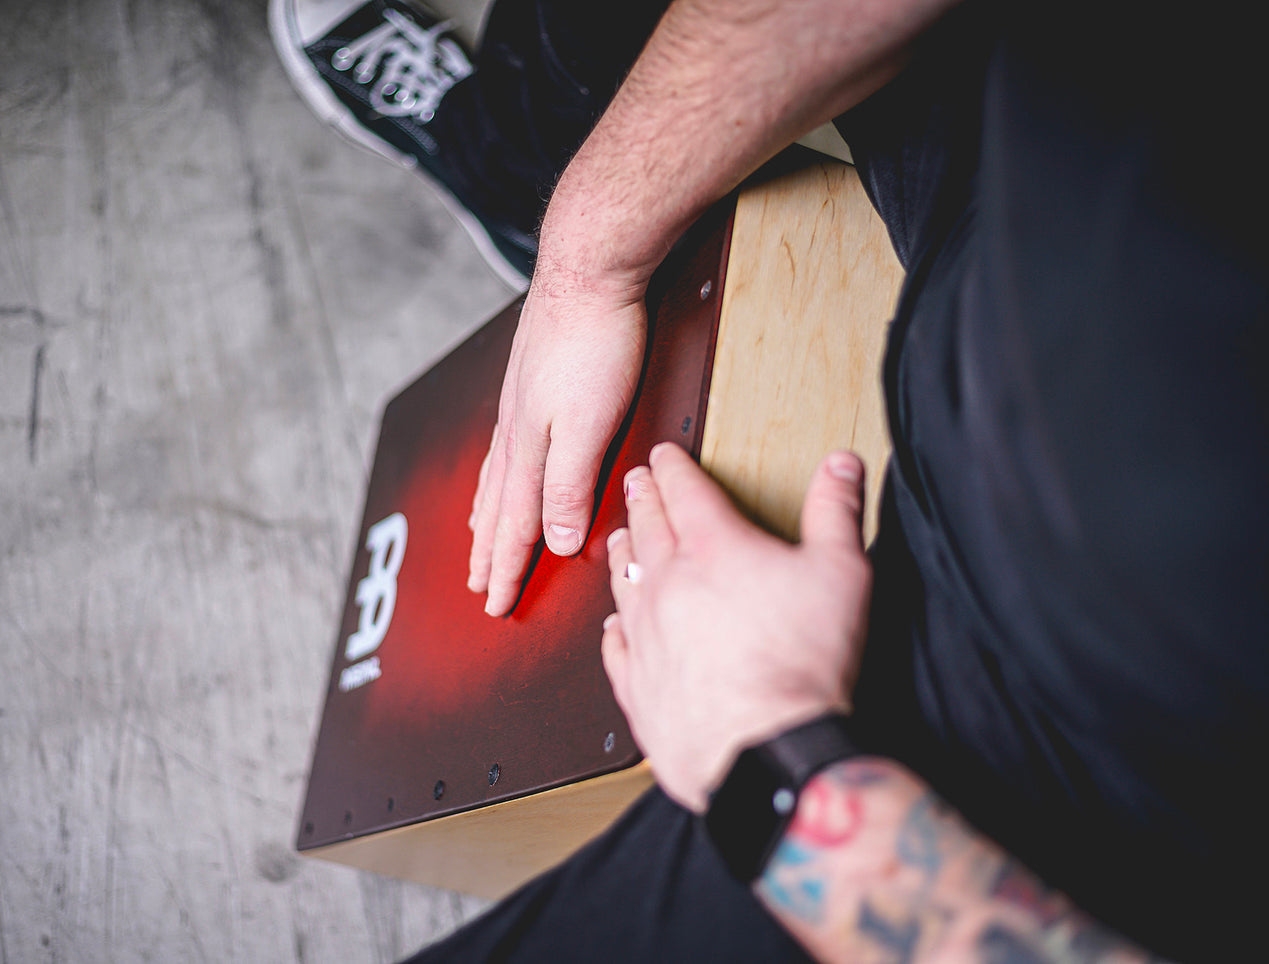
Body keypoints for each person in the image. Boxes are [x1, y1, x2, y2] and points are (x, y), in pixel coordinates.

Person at [271, 0, 1268, 959]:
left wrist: (775, 757)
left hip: (1076, 726)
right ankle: (514, 174)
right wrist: (586, 249)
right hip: (1034, 186)